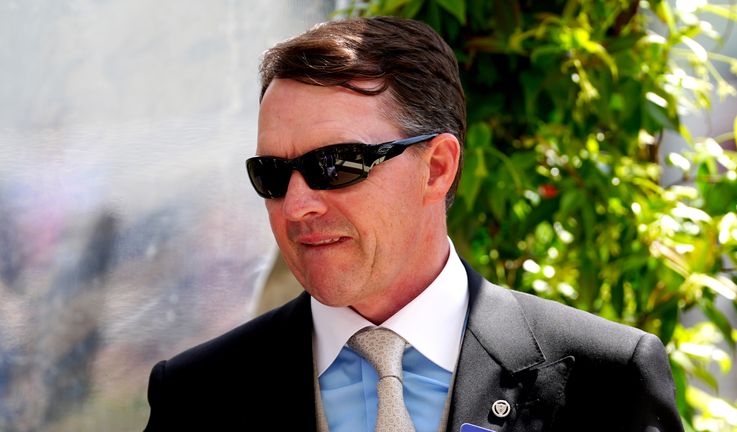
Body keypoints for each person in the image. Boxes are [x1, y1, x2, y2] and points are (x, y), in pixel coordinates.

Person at [144, 16, 683, 432]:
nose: (296, 206)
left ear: (437, 168)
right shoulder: (197, 395)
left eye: (337, 164)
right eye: (272, 174)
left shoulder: (606, 379)